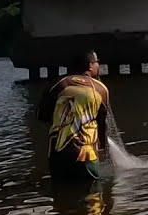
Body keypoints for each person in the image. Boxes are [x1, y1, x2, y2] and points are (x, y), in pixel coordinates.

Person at [36, 50, 110, 182]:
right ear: (90, 65)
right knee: (93, 192)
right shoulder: (101, 89)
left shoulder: (59, 84)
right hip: (86, 155)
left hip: (58, 154)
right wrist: (105, 150)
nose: (98, 65)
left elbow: (40, 115)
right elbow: (102, 125)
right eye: (97, 62)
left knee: (59, 191)